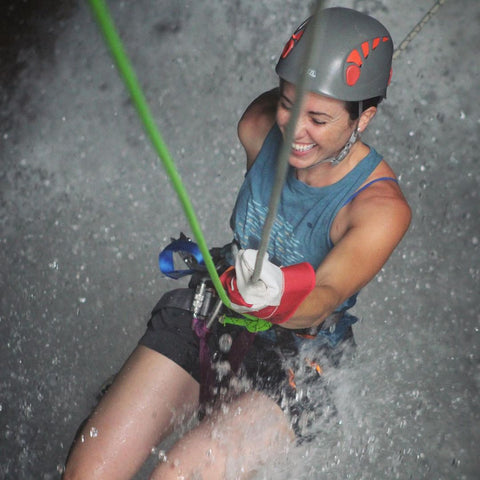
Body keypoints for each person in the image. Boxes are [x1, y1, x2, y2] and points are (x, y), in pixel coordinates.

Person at [63, 7, 411, 480]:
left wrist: (273, 294)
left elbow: (324, 297)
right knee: (89, 472)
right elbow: (293, 107)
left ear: (363, 118)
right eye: (290, 103)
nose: (295, 131)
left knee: (176, 476)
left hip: (301, 358)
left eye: (320, 118)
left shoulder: (379, 209)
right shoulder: (260, 123)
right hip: (217, 307)